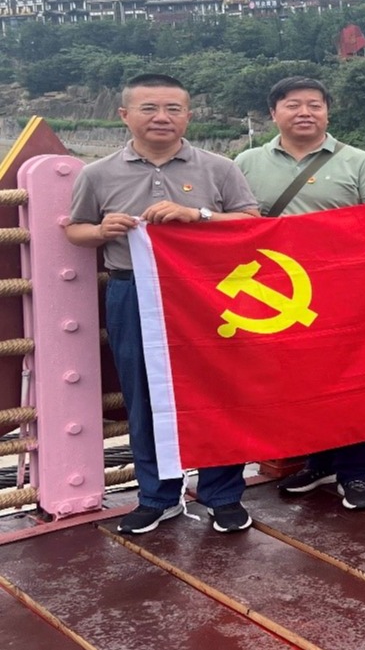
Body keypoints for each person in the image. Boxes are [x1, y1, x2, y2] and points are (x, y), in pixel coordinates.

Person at [66, 74, 261, 534]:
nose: (162, 117)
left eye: (173, 109)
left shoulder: (218, 167)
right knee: (144, 392)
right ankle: (157, 495)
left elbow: (250, 221)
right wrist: (101, 231)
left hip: (206, 292)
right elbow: (76, 229)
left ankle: (222, 494)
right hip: (133, 290)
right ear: (124, 115)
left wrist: (199, 215)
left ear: (188, 116)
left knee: (218, 390)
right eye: (149, 108)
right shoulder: (97, 173)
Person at [234, 76, 365, 511]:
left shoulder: (359, 161)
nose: (305, 112)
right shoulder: (247, 161)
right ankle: (318, 462)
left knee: (355, 383)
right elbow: (233, 223)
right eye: (293, 104)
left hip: (347, 292)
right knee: (300, 384)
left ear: (327, 111)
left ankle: (356, 472)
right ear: (274, 113)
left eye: (315, 105)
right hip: (279, 294)